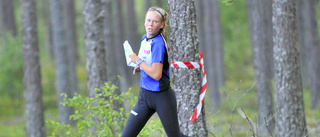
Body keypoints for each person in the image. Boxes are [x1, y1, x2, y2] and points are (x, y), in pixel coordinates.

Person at [121, 7, 185, 137]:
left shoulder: (158, 44)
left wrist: (139, 61)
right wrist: (140, 67)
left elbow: (156, 75)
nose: (150, 24)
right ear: (144, 22)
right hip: (144, 96)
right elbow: (148, 65)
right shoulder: (145, 38)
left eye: (155, 21)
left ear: (161, 25)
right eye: (148, 20)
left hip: (162, 97)